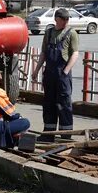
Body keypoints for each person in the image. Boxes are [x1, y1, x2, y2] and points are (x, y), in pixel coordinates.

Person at [32, 8, 79, 142]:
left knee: (64, 104)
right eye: (62, 19)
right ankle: (48, 133)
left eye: (67, 19)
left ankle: (66, 135)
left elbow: (75, 53)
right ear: (56, 19)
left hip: (62, 73)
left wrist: (65, 71)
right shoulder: (48, 33)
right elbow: (43, 54)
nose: (65, 21)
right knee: (49, 103)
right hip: (50, 73)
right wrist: (36, 70)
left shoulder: (71, 33)